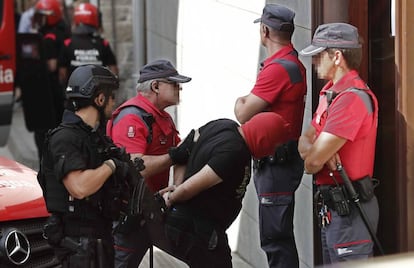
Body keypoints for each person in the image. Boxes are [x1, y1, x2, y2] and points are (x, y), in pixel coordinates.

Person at [157, 112, 291, 267]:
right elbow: (191, 187)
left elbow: (182, 150)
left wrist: (177, 185)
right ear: (263, 139)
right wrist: (173, 196)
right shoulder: (235, 152)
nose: (271, 153)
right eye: (274, 146)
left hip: (196, 225)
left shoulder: (224, 125)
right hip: (197, 227)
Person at [298, 23, 379, 264]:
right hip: (333, 211)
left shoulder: (350, 99)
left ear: (336, 56)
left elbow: (311, 164)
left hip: (351, 214)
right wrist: (317, 153)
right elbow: (304, 140)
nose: (314, 62)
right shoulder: (330, 92)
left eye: (318, 55)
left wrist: (315, 155)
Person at [233, 4, 306, 268]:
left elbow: (243, 113)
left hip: (277, 165)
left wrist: (240, 101)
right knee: (279, 238)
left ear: (264, 31)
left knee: (275, 240)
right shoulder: (289, 63)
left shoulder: (278, 69)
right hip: (280, 163)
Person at [37, 64, 131, 267]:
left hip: (100, 239)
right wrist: (111, 166)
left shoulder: (94, 138)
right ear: (99, 99)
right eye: (111, 96)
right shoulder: (65, 138)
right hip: (78, 246)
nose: (114, 102)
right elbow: (79, 187)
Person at [106, 59, 192, 267]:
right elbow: (134, 168)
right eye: (174, 84)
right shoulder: (131, 118)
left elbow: (182, 155)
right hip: (129, 215)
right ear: (155, 86)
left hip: (153, 209)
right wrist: (174, 156)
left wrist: (178, 189)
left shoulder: (162, 118)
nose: (179, 88)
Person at [30, 0, 71, 160]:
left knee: (45, 127)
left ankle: (48, 158)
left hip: (50, 88)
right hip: (63, 86)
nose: (40, 19)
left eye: (43, 16)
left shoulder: (48, 37)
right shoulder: (64, 29)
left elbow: (52, 65)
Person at [58, 2, 118, 87]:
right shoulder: (103, 43)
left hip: (75, 92)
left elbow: (62, 74)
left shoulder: (68, 43)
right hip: (99, 93)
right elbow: (114, 71)